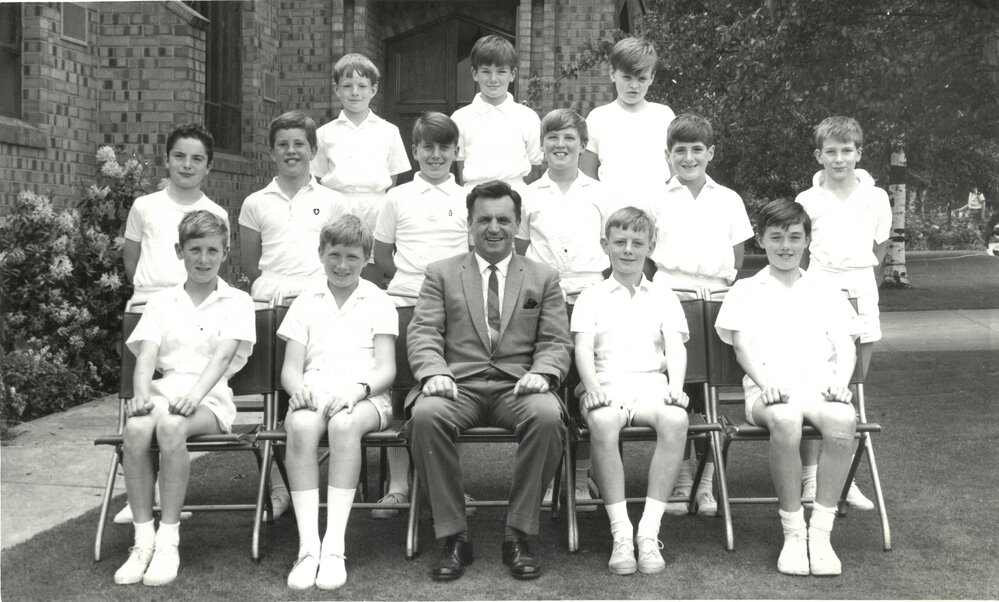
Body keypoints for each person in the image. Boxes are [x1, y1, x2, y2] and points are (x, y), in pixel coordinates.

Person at [405, 180, 571, 582]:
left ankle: (518, 533)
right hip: (457, 385)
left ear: (517, 224)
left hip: (518, 386)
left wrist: (543, 373)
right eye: (484, 220)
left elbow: (556, 341)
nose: (493, 228)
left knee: (548, 417)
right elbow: (423, 332)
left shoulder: (543, 276)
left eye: (503, 219)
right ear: (470, 223)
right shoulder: (441, 274)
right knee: (425, 417)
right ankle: (454, 536)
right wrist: (434, 372)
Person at [715, 199, 860, 576]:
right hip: (768, 392)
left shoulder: (825, 289)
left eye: (794, 237)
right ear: (760, 240)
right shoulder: (745, 290)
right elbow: (742, 347)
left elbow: (846, 345)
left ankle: (821, 534)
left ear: (807, 240)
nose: (785, 246)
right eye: (775, 237)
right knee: (786, 420)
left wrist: (840, 386)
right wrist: (767, 384)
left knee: (844, 421)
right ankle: (794, 532)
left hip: (821, 387)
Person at [113, 210, 255, 587]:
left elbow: (223, 358)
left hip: (210, 397)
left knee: (173, 427)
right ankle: (142, 540)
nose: (204, 259)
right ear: (180, 251)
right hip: (166, 390)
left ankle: (168, 540)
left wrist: (195, 396)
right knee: (138, 428)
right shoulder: (161, 302)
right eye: (195, 250)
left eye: (212, 250)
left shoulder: (237, 301)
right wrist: (142, 398)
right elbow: (145, 359)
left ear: (225, 252)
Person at [238, 110, 351, 518]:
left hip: (318, 305)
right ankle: (279, 486)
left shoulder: (333, 201)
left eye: (299, 144)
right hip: (272, 307)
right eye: (283, 144)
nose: (291, 151)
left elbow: (338, 256)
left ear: (313, 151)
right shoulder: (255, 203)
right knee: (276, 399)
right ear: (272, 152)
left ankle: (318, 481)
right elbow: (252, 265)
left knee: (312, 395)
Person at [116, 123, 229, 524]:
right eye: (179, 155)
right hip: (152, 306)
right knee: (145, 401)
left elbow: (211, 259)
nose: (187, 164)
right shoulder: (145, 205)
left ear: (208, 166)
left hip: (199, 306)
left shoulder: (216, 213)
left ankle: (165, 498)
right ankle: (141, 495)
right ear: (166, 159)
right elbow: (132, 258)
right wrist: (153, 296)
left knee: (177, 403)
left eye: (197, 158)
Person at [278, 215, 398, 591]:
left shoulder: (378, 300)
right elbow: (290, 370)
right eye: (334, 255)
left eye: (352, 256)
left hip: (365, 395)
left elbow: (387, 369)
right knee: (298, 426)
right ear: (321, 254)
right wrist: (298, 390)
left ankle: (334, 546)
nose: (342, 265)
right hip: (316, 390)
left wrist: (357, 390)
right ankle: (308, 546)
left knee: (344, 425)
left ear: (366, 259)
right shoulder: (305, 301)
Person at [572, 206, 691, 575]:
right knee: (605, 422)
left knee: (675, 418)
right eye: (619, 242)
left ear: (650, 246)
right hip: (606, 384)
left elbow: (676, 346)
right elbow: (581, 347)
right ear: (605, 245)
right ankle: (621, 532)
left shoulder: (664, 296)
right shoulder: (590, 295)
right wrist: (590, 388)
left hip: (651, 385)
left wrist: (676, 388)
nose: (628, 249)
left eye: (637, 242)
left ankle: (648, 532)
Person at [650, 113, 754, 517]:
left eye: (697, 150)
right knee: (681, 393)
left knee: (711, 397)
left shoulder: (728, 198)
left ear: (710, 153)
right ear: (668, 155)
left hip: (715, 301)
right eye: (680, 150)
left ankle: (707, 483)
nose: (689, 158)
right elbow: (646, 260)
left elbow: (737, 258)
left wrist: (717, 296)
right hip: (671, 299)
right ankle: (680, 477)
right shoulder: (655, 198)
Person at [369, 111, 470, 519]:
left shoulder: (468, 199)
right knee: (398, 394)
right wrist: (416, 288)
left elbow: (472, 257)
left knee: (452, 393)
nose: (435, 155)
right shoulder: (396, 198)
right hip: (405, 304)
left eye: (444, 147)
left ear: (456, 152)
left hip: (456, 309)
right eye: (427, 147)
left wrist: (445, 295)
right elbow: (380, 256)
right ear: (414, 151)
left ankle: (454, 485)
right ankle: (398, 486)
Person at [515, 108, 612, 511]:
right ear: (543, 145)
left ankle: (582, 475)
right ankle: (553, 475)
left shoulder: (601, 193)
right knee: (550, 384)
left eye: (569, 138)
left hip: (591, 296)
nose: (560, 145)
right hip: (546, 301)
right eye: (552, 137)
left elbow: (611, 246)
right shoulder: (528, 194)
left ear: (582, 144)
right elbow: (520, 253)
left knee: (587, 384)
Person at [795, 115, 890, 511]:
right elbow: (798, 253)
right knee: (815, 385)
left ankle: (844, 476)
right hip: (819, 287)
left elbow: (880, 251)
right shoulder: (806, 199)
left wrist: (862, 290)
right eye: (830, 152)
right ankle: (812, 477)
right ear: (819, 155)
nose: (839, 159)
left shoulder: (877, 197)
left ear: (859, 153)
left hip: (861, 289)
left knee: (852, 387)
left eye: (846, 151)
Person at [310, 53, 410, 283]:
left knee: (371, 265)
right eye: (347, 86)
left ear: (373, 90)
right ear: (336, 90)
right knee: (338, 263)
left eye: (362, 86)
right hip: (337, 207)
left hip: (375, 207)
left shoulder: (388, 131)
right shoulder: (325, 133)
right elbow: (318, 177)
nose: (355, 92)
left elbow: (392, 180)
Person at [580, 36, 675, 210]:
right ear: (612, 73)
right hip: (613, 215)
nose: (634, 86)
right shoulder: (598, 118)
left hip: (658, 211)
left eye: (642, 79)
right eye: (627, 77)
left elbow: (675, 170)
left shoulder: (664, 115)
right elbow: (587, 176)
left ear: (652, 78)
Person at [451, 35, 542, 193]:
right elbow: (460, 164)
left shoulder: (528, 117)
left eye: (501, 72)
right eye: (486, 71)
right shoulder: (460, 118)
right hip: (474, 195)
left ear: (512, 74)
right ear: (474, 73)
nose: (493, 79)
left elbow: (534, 165)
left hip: (517, 196)